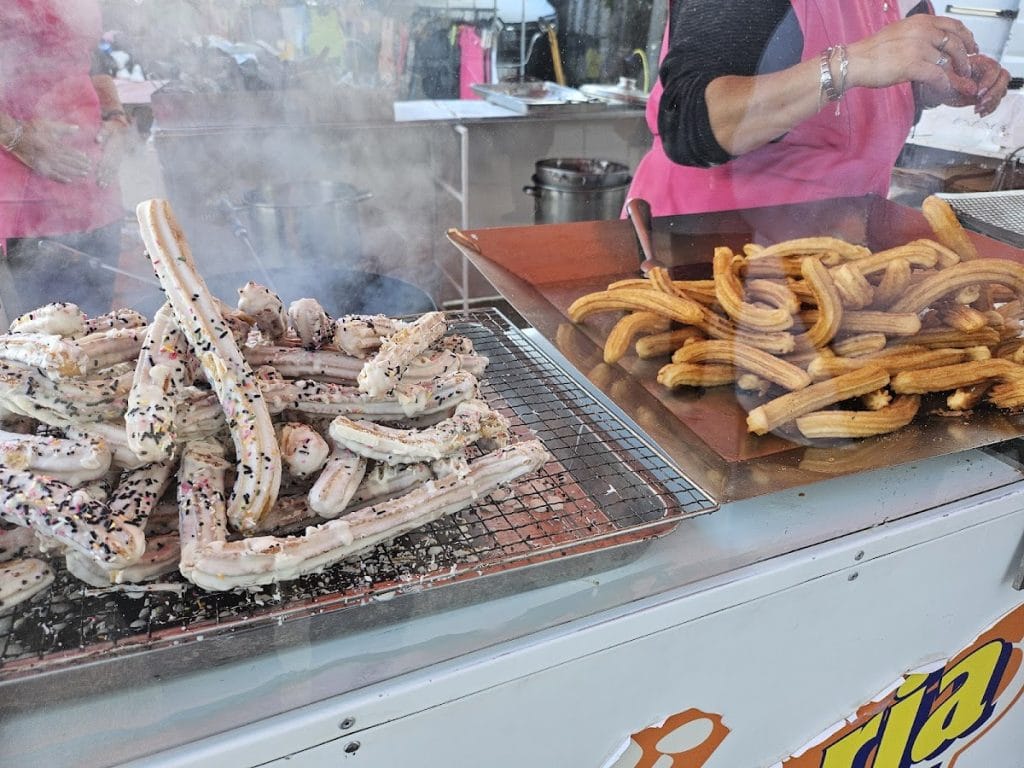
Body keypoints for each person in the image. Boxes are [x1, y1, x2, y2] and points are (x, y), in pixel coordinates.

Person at [627, 1, 1011, 217]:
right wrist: (850, 64)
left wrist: (928, 85)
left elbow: (856, 110)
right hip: (707, 255)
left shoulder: (905, 2)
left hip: (834, 260)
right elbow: (689, 120)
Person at [0, 0, 131, 321]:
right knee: (44, 340)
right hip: (27, 203)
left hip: (97, 196)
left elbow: (93, 61)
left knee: (100, 333)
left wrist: (115, 117)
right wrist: (17, 136)